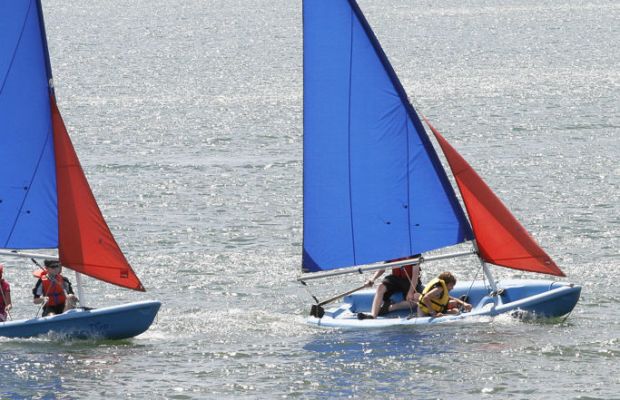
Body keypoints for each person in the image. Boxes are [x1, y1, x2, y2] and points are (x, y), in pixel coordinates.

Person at [357, 255, 424, 320]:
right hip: (396, 279)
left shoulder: (413, 253)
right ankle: (373, 315)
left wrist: (410, 292)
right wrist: (372, 279)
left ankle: (390, 307)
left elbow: (415, 275)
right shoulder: (392, 252)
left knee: (416, 299)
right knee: (380, 287)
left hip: (410, 280)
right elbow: (382, 268)